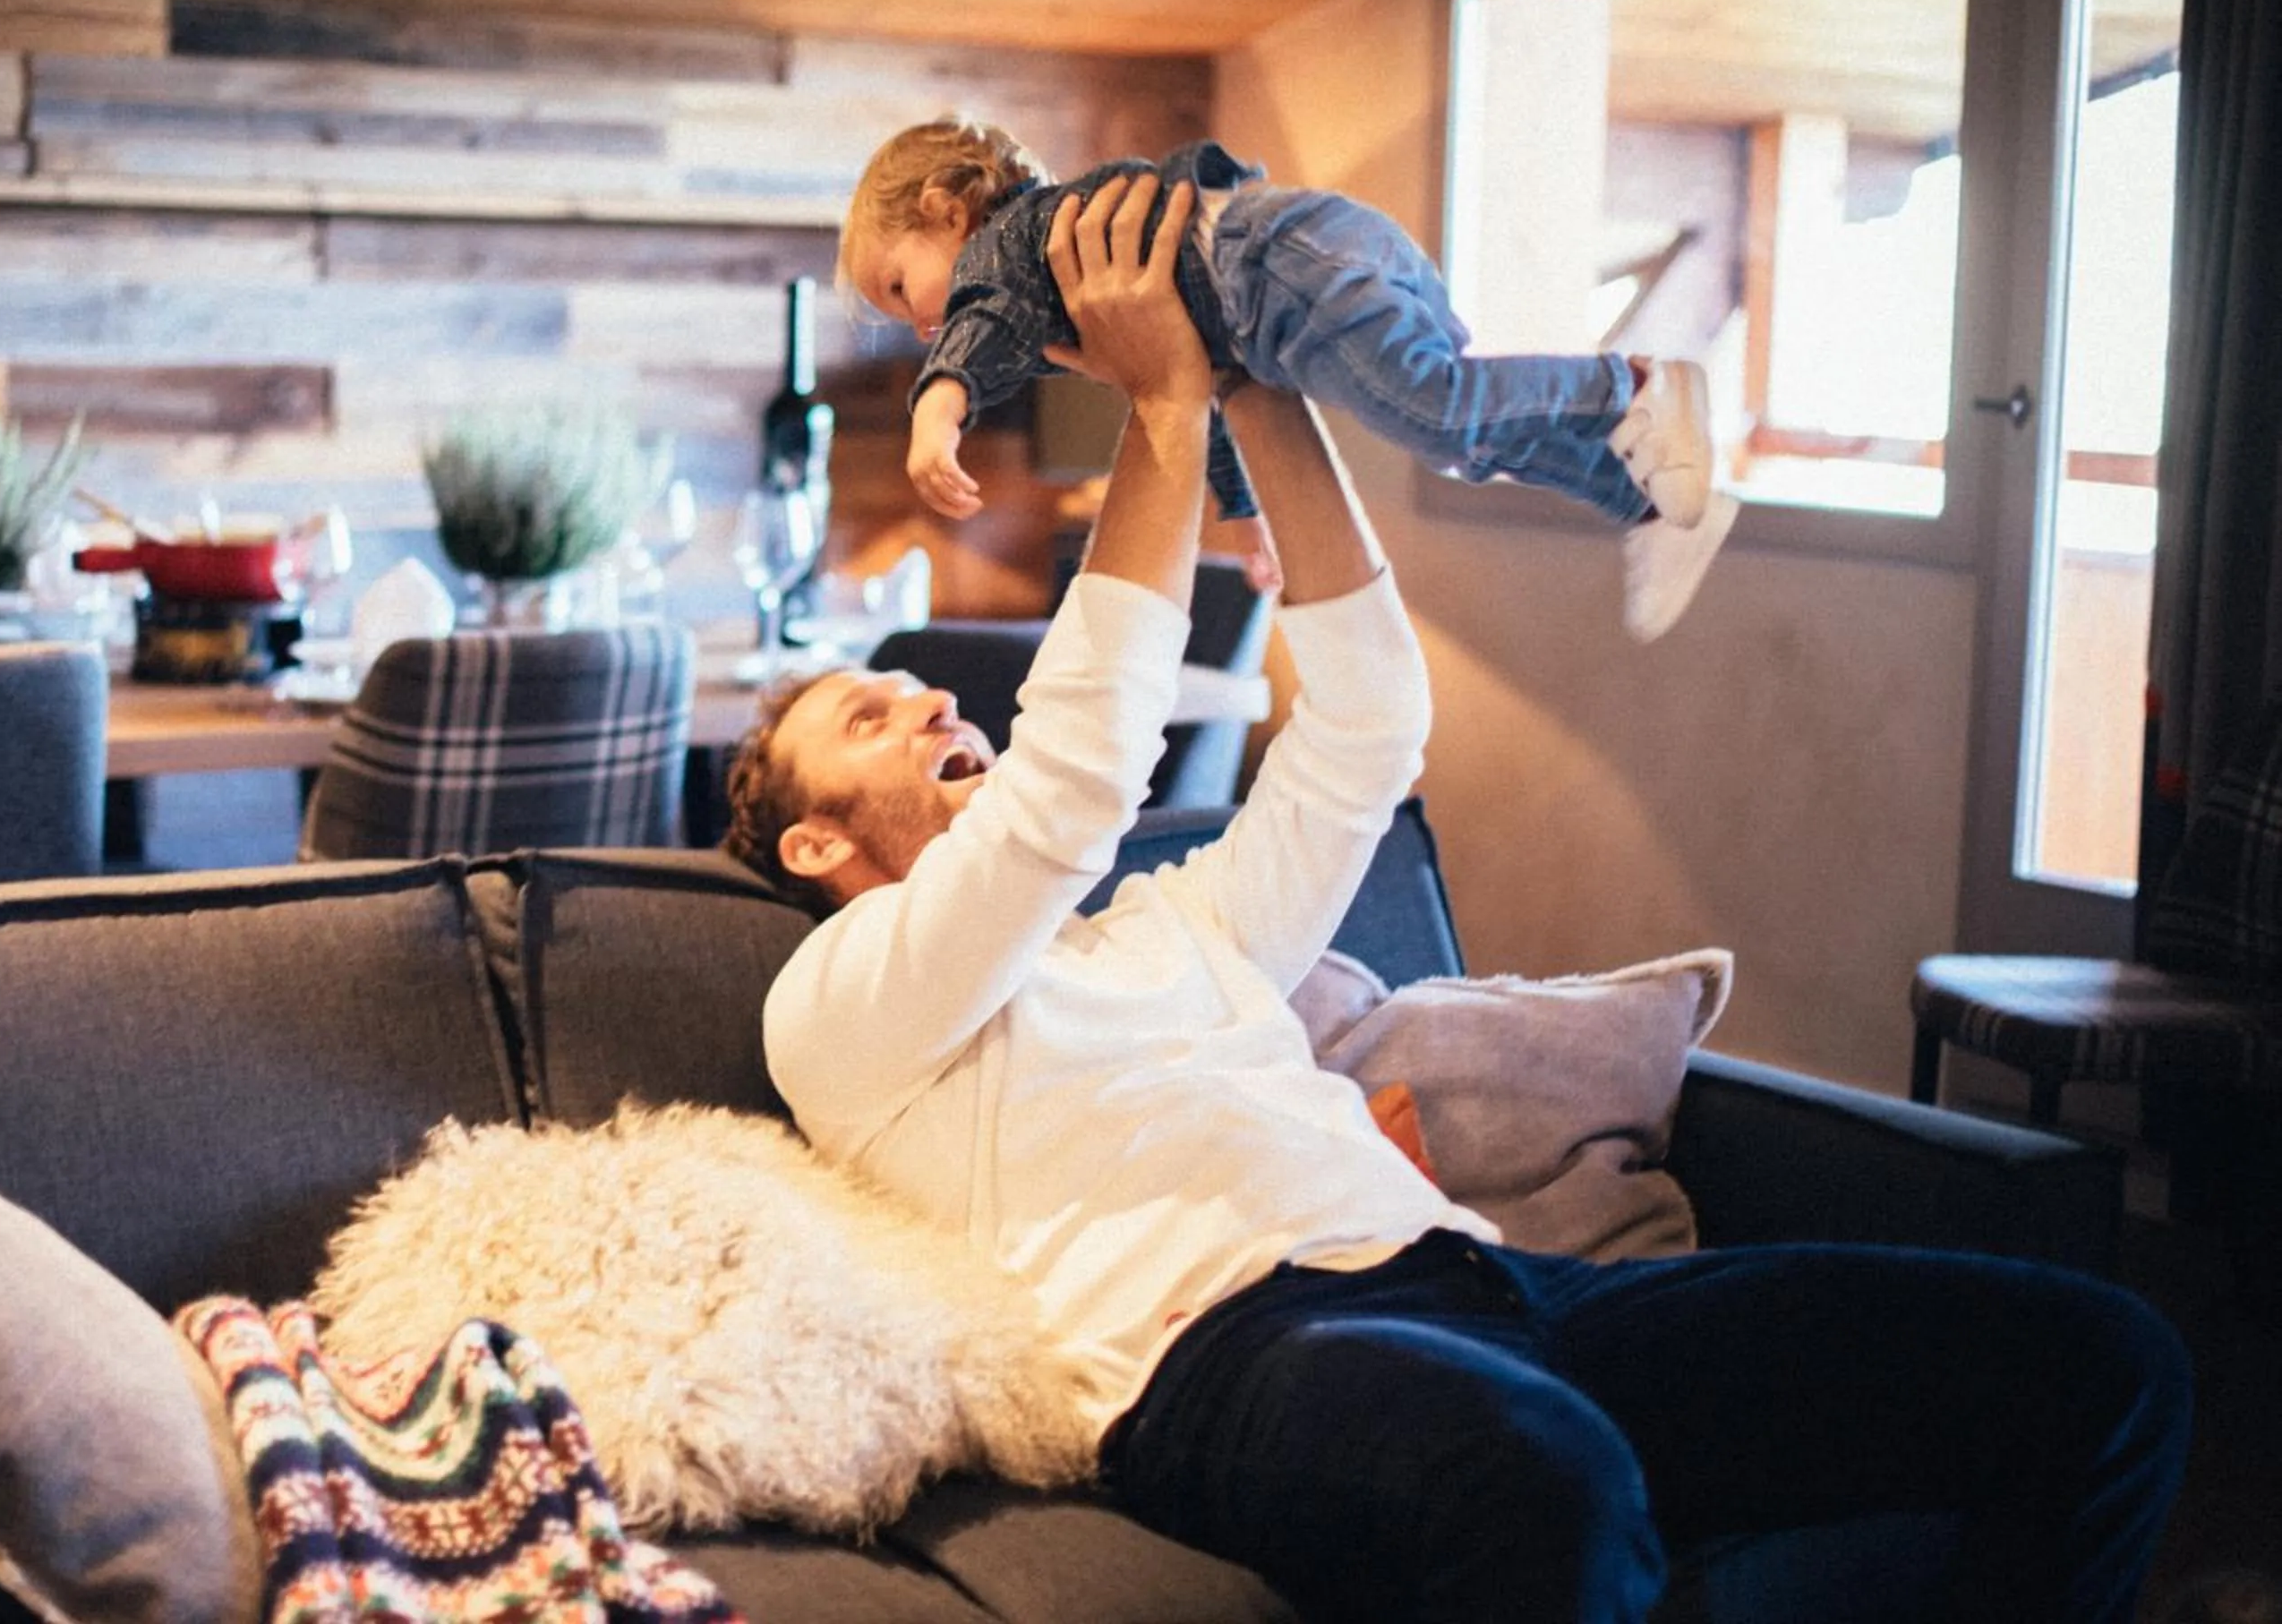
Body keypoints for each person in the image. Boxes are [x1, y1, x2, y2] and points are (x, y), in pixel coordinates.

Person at [730, 169, 2192, 1621]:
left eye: (913, 688)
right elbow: (1071, 794)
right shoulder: (841, 1010)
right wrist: (1159, 412)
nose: (925, 700)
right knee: (1544, 1487)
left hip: (1496, 1289)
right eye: (868, 721)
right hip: (1234, 1352)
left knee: (2108, 1362)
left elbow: (1365, 734)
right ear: (813, 846)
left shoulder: (1171, 926)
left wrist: (1247, 383)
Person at [840, 118, 1737, 641]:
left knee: (1435, 407)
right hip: (1287, 284)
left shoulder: (1012, 244)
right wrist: (1248, 516)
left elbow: (974, 326)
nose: (920, 323)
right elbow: (1212, 377)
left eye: (899, 287)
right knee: (1462, 443)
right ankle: (1647, 495)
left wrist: (936, 414)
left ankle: (1633, 382)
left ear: (944, 210)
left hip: (1275, 258)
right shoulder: (1068, 297)